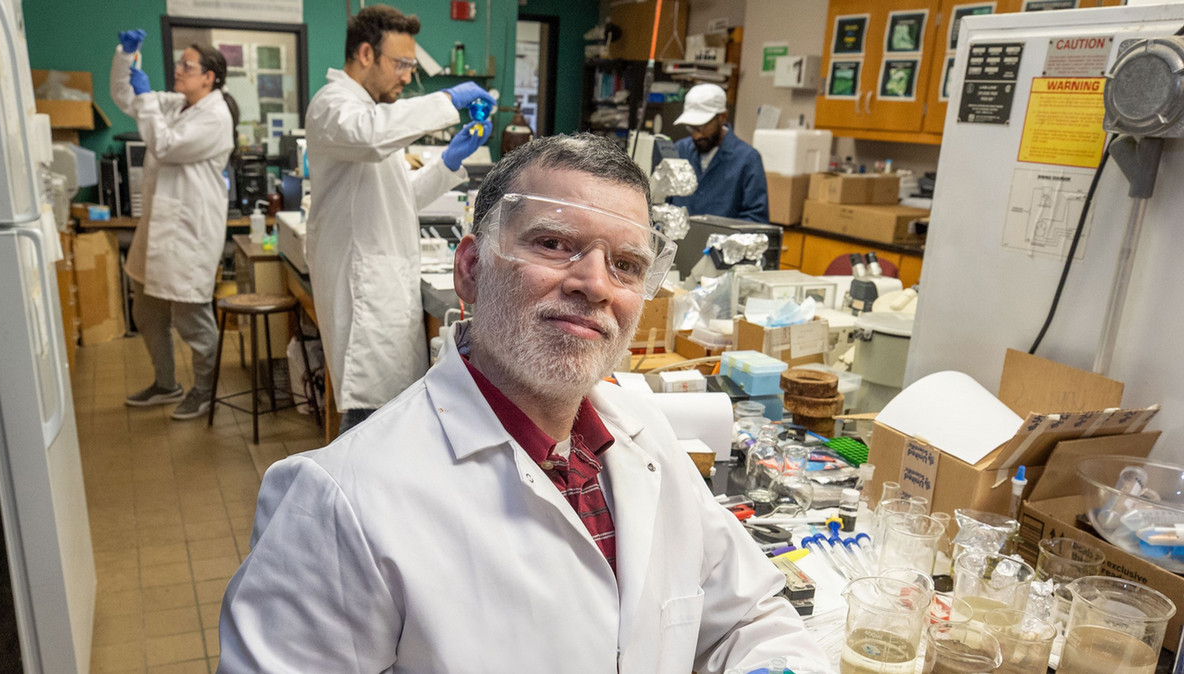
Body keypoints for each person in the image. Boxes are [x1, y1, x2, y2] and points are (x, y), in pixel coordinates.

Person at [218, 134, 833, 674]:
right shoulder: (340, 500)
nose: (594, 284)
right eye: (554, 243)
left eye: (625, 264)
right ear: (470, 269)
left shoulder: (643, 435)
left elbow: (747, 616)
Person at [305, 4, 495, 435]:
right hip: (365, 295)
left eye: (412, 65)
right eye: (402, 64)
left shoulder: (368, 115)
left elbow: (398, 198)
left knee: (386, 423)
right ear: (366, 54)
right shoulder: (334, 106)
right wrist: (446, 100)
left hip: (384, 286)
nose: (408, 76)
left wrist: (448, 163)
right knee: (367, 425)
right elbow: (371, 135)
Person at [110, 30, 238, 420]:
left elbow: (164, 145)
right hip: (158, 228)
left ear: (209, 78)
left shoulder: (215, 117)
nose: (178, 70)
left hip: (188, 233)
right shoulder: (177, 104)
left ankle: (205, 390)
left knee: (192, 320)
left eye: (187, 65)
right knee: (146, 311)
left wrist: (148, 98)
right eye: (179, 63)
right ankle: (166, 384)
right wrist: (125, 57)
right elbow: (125, 97)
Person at [668, 83, 770, 223]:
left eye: (702, 127)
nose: (697, 136)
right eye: (692, 128)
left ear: (722, 117)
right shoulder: (681, 150)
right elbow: (663, 201)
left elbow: (756, 220)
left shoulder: (747, 159)